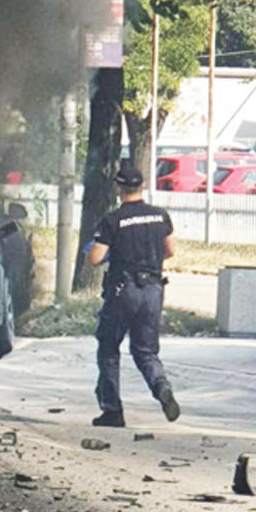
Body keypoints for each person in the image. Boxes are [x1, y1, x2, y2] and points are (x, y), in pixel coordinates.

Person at [88, 167, 180, 427]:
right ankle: (160, 385)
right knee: (146, 351)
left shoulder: (113, 219)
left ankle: (112, 411)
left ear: (118, 188)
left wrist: (106, 249)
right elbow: (170, 251)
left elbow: (95, 258)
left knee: (108, 346)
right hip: (153, 289)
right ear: (142, 185)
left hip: (122, 289)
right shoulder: (160, 216)